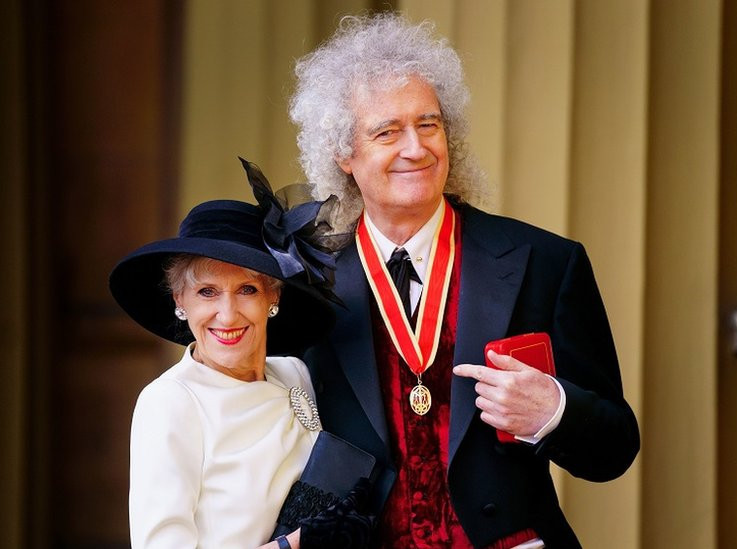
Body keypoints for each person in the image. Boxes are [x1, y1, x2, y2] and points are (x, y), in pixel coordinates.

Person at [290, 13, 640, 548]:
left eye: (428, 124)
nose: (416, 147)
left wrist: (555, 410)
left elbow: (614, 448)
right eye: (387, 131)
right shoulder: (301, 277)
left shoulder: (547, 260)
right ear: (344, 154)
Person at [109, 159, 374, 548]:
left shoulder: (295, 374)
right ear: (180, 300)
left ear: (274, 295)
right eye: (206, 292)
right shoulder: (169, 402)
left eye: (247, 290)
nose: (227, 314)